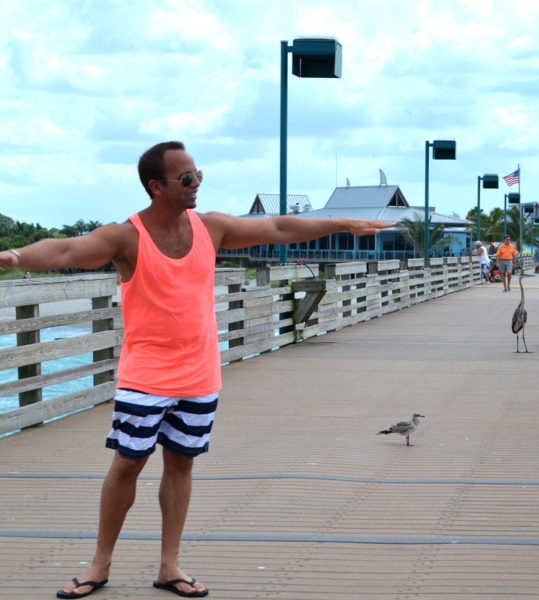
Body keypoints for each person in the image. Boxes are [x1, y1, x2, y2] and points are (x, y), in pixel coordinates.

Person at [0, 141, 393, 599]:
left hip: (200, 373)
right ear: (156, 187)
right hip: (145, 375)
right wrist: (16, 257)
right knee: (127, 464)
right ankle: (99, 564)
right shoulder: (126, 236)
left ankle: (170, 565)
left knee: (181, 464)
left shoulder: (212, 228)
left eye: (197, 174)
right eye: (186, 178)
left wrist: (341, 222)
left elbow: (277, 226)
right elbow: (67, 250)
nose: (197, 183)